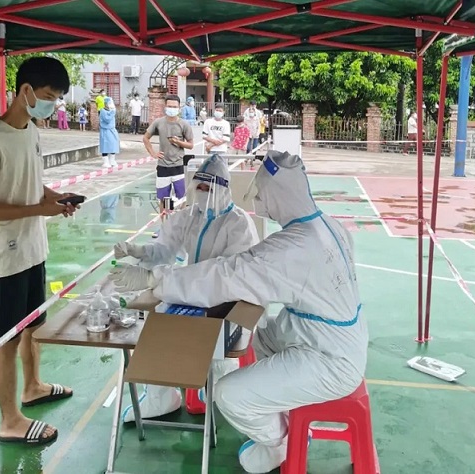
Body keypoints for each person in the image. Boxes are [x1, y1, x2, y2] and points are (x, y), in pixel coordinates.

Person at [108, 150, 368, 473]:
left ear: (280, 195)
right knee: (258, 339)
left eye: (264, 194)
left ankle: (280, 442)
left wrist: (154, 280)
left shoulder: (289, 246)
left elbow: (228, 275)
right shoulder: (326, 226)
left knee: (229, 394)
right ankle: (271, 406)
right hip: (324, 333)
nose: (260, 201)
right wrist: (146, 257)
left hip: (330, 359)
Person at [0, 56, 78, 446]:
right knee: (7, 340)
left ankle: (32, 387)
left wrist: (55, 197)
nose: (51, 105)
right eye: (48, 96)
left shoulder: (30, 130)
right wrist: (37, 210)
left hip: (33, 249)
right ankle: (10, 420)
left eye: (57, 99)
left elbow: (30, 182)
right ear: (25, 90)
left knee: (33, 326)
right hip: (6, 259)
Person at [113, 154, 260, 420]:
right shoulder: (190, 216)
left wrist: (156, 279)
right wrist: (140, 251)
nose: (202, 193)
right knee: (155, 327)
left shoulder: (238, 224)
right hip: (190, 294)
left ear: (223, 189)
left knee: (215, 352)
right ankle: (161, 398)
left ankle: (218, 393)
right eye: (199, 187)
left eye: (208, 188)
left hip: (227, 304)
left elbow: (224, 278)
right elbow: (165, 250)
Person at [143, 94, 194, 213]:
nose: (172, 109)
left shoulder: (184, 124)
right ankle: (165, 221)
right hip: (163, 166)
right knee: (164, 198)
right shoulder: (158, 122)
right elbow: (145, 138)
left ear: (179, 108)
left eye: (174, 107)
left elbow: (191, 145)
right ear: (165, 107)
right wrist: (153, 153)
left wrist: (178, 142)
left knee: (181, 197)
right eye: (169, 106)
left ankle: (180, 219)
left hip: (178, 166)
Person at [99, 97, 120, 168]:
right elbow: (107, 119)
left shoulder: (111, 111)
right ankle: (106, 162)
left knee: (113, 145)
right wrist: (113, 111)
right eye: (109, 103)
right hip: (105, 131)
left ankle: (112, 160)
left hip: (112, 130)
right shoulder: (103, 111)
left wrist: (112, 110)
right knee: (105, 146)